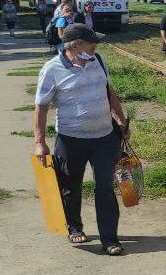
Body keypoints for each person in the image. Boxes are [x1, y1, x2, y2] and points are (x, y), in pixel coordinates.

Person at [32, 24, 131, 256]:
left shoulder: (98, 60)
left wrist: (121, 119)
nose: (95, 46)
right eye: (90, 42)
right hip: (71, 139)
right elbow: (41, 107)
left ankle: (109, 238)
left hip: (105, 137)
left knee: (105, 187)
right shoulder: (52, 69)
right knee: (70, 186)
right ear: (75, 45)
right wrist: (39, 142)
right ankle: (74, 226)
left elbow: (109, 91)